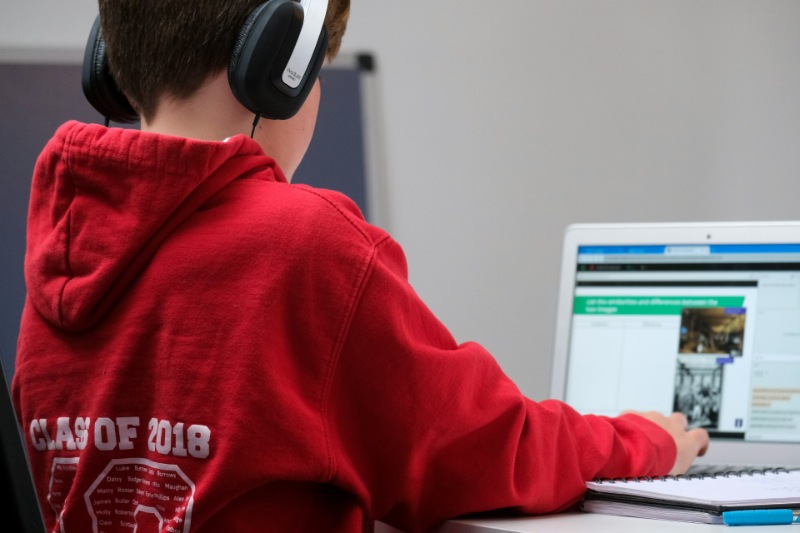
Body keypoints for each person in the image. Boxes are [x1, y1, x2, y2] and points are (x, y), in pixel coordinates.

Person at [11, 1, 709, 532]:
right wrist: (645, 441)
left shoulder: (64, 247)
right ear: (276, 69)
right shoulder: (303, 245)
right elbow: (490, 448)